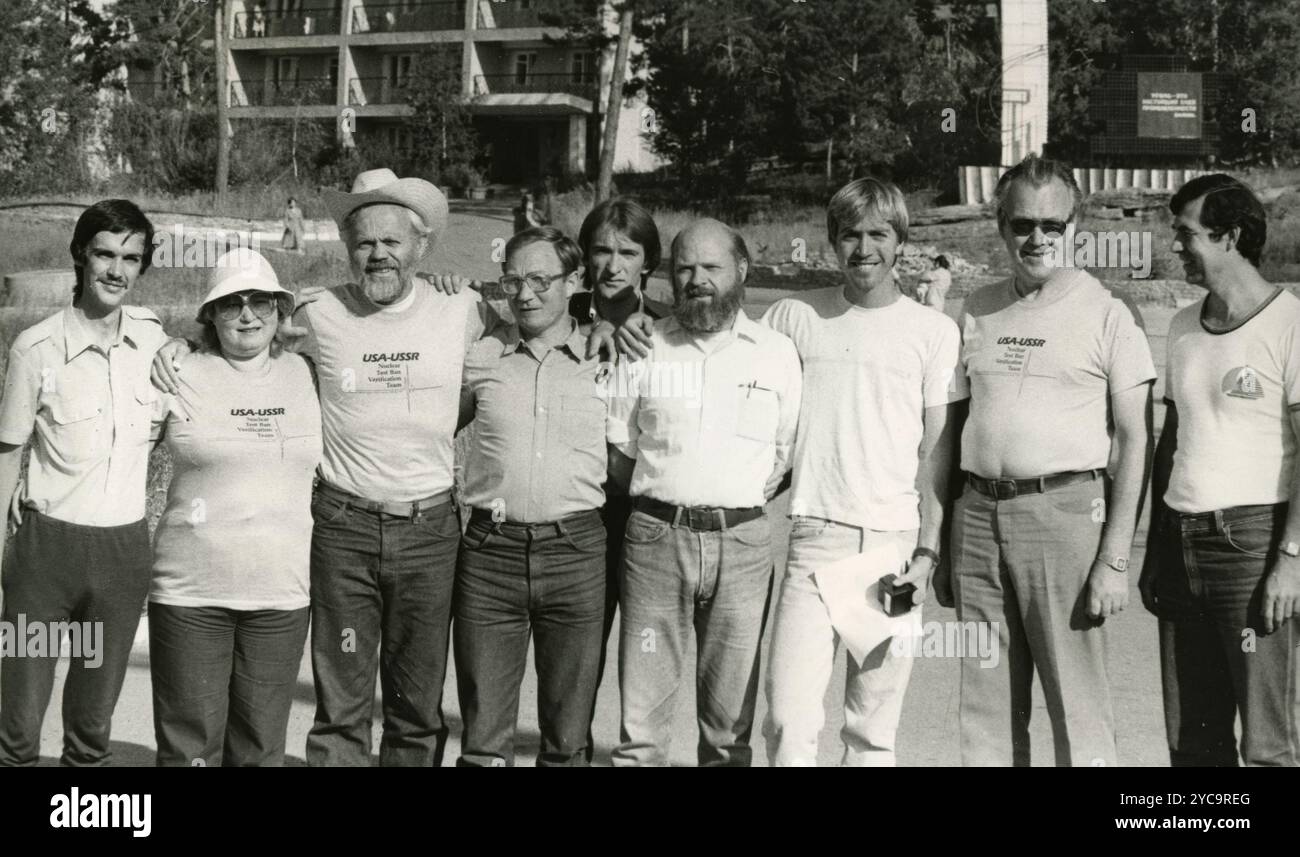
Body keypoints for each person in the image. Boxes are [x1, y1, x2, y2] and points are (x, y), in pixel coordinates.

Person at [153, 168, 493, 766]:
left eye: (392, 241)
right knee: (342, 704)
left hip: (430, 529)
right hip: (344, 528)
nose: (378, 254)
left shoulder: (463, 305)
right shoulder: (318, 311)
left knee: (416, 705)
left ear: (422, 245)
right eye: (364, 242)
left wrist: (619, 319)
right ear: (348, 248)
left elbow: (540, 320)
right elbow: (242, 332)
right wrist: (181, 343)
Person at [949, 154, 1156, 766]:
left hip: (1065, 517)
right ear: (1000, 225)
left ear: (1076, 225)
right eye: (1021, 224)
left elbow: (1135, 441)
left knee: (1077, 700)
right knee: (985, 705)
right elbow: (951, 426)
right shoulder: (976, 306)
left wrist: (1114, 559)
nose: (1036, 238)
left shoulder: (1109, 313)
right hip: (979, 518)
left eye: (1052, 225)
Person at [761, 178, 967, 766]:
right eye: (849, 234)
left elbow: (938, 452)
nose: (863, 248)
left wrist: (926, 555)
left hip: (891, 547)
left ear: (901, 241)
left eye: (878, 233)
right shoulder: (793, 316)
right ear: (832, 240)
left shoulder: (934, 332)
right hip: (812, 539)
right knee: (787, 718)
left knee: (872, 731)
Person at [606, 218, 802, 766]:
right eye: (684, 268)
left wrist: (727, 503)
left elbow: (782, 455)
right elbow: (619, 448)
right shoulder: (645, 347)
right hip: (654, 543)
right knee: (641, 733)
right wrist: (670, 500)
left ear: (741, 270)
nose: (697, 280)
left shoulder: (776, 353)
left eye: (711, 267)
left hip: (741, 548)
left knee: (727, 733)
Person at [0, 199, 166, 766]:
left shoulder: (152, 340)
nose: (117, 270)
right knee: (19, 716)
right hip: (45, 558)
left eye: (131, 258)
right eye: (104, 254)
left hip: (121, 556)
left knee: (92, 722)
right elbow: (7, 450)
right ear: (79, 255)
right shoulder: (36, 348)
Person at [1144, 174, 1300, 766]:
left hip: (1253, 547)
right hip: (1182, 542)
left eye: (1186, 234)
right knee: (1193, 740)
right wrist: (1158, 547)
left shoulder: (1291, 325)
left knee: (1268, 743)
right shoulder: (1183, 327)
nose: (1175, 245)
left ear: (1229, 236)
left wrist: (1291, 561)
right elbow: (1173, 442)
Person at [149, 249, 320, 767]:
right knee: (189, 749)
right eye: (231, 303)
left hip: (280, 593)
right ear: (210, 315)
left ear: (279, 309)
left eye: (260, 301)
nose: (248, 315)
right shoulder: (176, 370)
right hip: (190, 592)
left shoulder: (308, 374)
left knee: (261, 748)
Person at [454, 227, 610, 766]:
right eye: (513, 280)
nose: (525, 294)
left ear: (575, 281)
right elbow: (426, 424)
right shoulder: (482, 356)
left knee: (568, 736)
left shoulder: (605, 353)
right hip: (489, 553)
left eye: (541, 280)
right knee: (483, 734)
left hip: (576, 552)